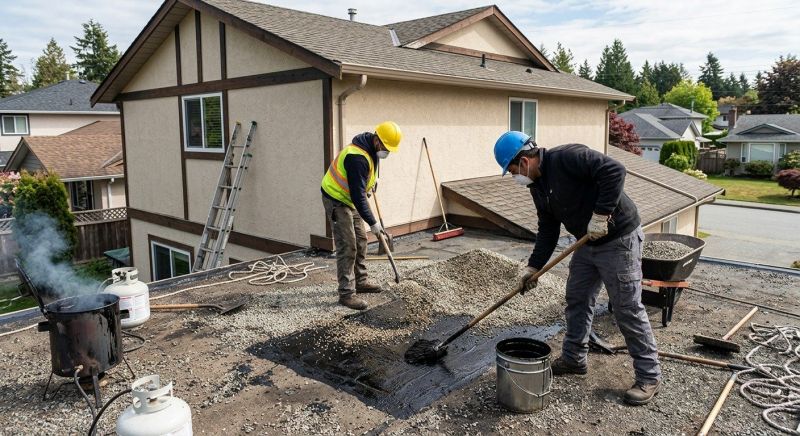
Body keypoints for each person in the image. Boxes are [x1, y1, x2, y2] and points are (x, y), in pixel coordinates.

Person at [493, 131, 662, 406]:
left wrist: (601, 214)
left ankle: (649, 376)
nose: (515, 177)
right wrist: (533, 267)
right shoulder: (537, 187)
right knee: (577, 299)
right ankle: (574, 359)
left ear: (523, 161)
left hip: (619, 239)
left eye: (512, 170)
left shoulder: (567, 157)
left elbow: (615, 170)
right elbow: (548, 229)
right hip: (586, 242)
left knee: (627, 308)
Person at [321, 121, 402, 310]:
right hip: (336, 198)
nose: (387, 152)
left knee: (361, 240)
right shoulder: (356, 158)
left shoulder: (371, 151)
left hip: (351, 198)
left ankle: (361, 281)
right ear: (377, 140)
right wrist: (373, 222)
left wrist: (371, 183)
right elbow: (358, 196)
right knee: (348, 245)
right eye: (386, 148)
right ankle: (346, 294)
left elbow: (363, 185)